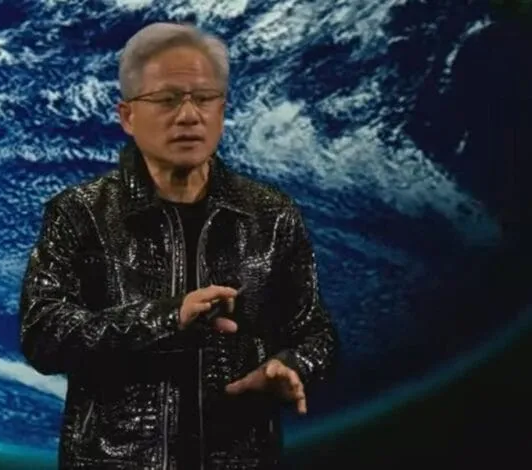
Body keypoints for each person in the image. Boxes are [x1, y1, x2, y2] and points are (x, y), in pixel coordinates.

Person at [19, 22, 339, 470]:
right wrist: (169, 317)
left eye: (204, 99)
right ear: (127, 115)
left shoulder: (272, 215)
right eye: (168, 99)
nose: (189, 115)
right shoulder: (79, 213)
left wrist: (292, 364)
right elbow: (42, 335)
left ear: (222, 110)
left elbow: (315, 332)